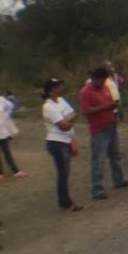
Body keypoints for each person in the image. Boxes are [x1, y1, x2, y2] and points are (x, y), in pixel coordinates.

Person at [79, 66, 128, 200]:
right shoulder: (86, 92)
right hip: (98, 129)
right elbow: (85, 111)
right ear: (95, 79)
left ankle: (119, 179)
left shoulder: (105, 88)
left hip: (110, 124)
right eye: (101, 80)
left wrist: (113, 108)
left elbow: (108, 102)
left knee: (115, 155)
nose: (103, 82)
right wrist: (104, 107)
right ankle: (97, 188)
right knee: (98, 160)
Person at [41, 78, 82, 212]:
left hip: (65, 140)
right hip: (57, 142)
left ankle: (65, 201)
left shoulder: (61, 100)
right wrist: (68, 121)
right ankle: (64, 202)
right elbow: (64, 125)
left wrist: (67, 121)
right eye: (58, 87)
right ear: (51, 90)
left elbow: (74, 114)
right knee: (63, 173)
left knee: (65, 173)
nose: (60, 89)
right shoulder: (48, 106)